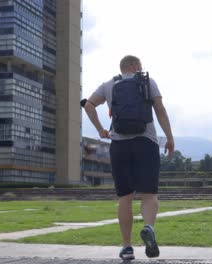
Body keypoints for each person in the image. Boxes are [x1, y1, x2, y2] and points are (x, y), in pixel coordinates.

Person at [83, 55, 175, 260]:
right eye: (140, 65)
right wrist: (169, 137)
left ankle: (126, 247)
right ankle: (149, 227)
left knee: (124, 198)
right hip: (146, 143)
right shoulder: (147, 82)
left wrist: (100, 130)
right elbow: (160, 111)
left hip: (119, 145)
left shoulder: (108, 85)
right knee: (149, 194)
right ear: (134, 66)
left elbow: (88, 105)